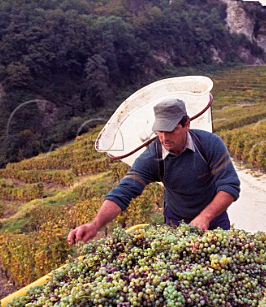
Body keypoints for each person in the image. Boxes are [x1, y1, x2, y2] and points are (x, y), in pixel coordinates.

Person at [68, 98, 240, 244]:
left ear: (186, 124)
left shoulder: (209, 144)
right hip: (176, 223)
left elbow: (230, 186)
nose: (164, 138)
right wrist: (95, 224)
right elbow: (123, 191)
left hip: (214, 219)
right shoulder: (153, 156)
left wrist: (205, 217)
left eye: (171, 130)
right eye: (159, 131)